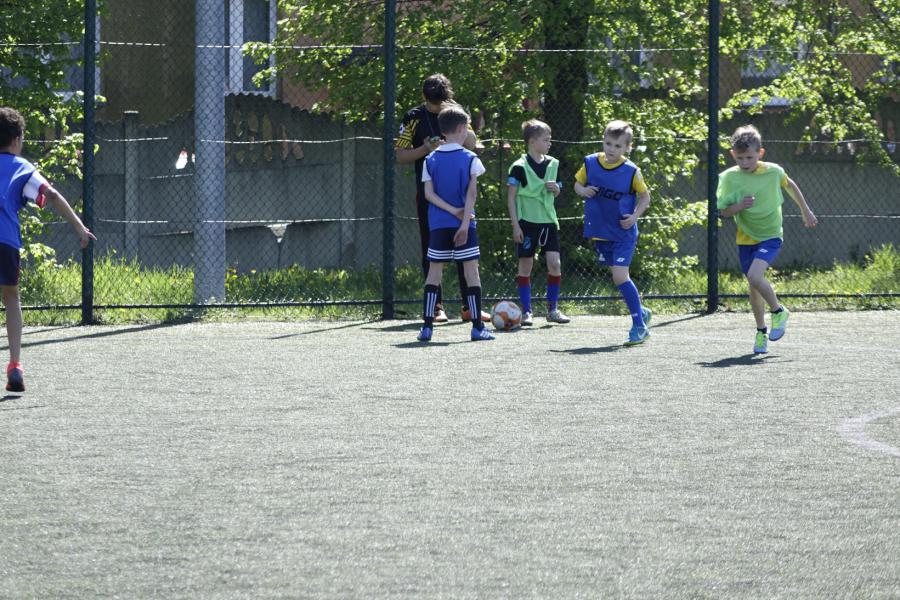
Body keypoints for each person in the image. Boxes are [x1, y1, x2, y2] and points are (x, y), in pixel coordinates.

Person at [0, 107, 96, 391]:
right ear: (17, 140)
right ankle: (15, 365)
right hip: (6, 241)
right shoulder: (21, 167)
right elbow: (50, 194)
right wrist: (80, 227)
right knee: (11, 297)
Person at [396, 73, 489, 324]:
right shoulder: (413, 117)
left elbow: (473, 144)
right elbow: (401, 155)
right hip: (431, 197)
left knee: (466, 250)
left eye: (441, 103)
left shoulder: (455, 112)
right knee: (431, 249)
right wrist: (425, 149)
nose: (438, 109)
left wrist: (458, 117)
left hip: (459, 196)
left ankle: (469, 307)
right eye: (433, 104)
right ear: (424, 97)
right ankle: (436, 308)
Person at [717, 124, 817, 354]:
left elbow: (791, 185)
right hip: (746, 239)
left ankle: (779, 311)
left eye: (749, 157)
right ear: (733, 155)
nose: (745, 162)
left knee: (754, 276)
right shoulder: (729, 178)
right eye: (740, 158)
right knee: (754, 287)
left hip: (771, 236)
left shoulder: (774, 172)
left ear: (760, 153)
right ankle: (761, 332)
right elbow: (724, 211)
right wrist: (739, 206)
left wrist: (805, 210)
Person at [416, 105, 493, 342]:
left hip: (438, 225)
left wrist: (451, 211)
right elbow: (472, 194)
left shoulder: (430, 159)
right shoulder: (471, 158)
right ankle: (477, 328)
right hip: (465, 225)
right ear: (461, 129)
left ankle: (427, 327)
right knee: (471, 273)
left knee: (434, 274)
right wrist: (463, 222)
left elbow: (428, 195)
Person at [574, 120, 652, 345]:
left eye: (618, 146)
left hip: (623, 233)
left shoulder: (631, 171)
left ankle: (639, 327)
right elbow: (577, 184)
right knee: (617, 278)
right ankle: (641, 311)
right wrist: (583, 190)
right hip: (601, 233)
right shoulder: (590, 163)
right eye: (608, 143)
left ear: (628, 147)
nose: (611, 149)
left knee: (620, 276)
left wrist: (634, 217)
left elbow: (645, 197)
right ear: (603, 141)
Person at [506, 119, 570, 326]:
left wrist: (556, 189)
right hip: (527, 222)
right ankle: (527, 311)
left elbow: (558, 188)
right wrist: (515, 225)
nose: (550, 143)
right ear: (532, 142)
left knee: (555, 264)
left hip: (549, 222)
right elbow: (511, 198)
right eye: (546, 139)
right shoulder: (518, 167)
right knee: (526, 265)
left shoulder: (553, 164)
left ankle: (553, 310)